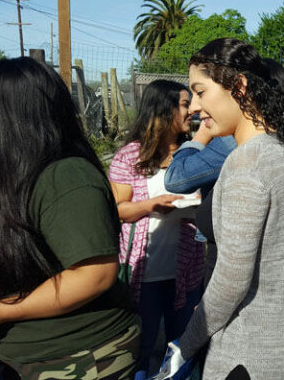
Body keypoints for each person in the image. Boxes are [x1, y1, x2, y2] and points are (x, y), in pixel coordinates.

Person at [170, 38, 284, 379]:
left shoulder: (247, 163)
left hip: (248, 355)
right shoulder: (280, 150)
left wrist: (186, 343)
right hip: (283, 343)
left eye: (201, 91)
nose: (194, 107)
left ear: (238, 86)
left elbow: (231, 280)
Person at [0, 57, 140, 379]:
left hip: (77, 355)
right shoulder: (13, 174)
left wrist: (3, 310)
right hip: (22, 350)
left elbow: (95, 274)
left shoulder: (65, 176)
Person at [109, 79, 205, 379]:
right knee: (141, 346)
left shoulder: (195, 152)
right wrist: (152, 205)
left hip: (186, 271)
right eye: (185, 104)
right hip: (143, 275)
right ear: (163, 109)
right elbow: (117, 211)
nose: (192, 110)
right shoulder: (130, 156)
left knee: (182, 347)